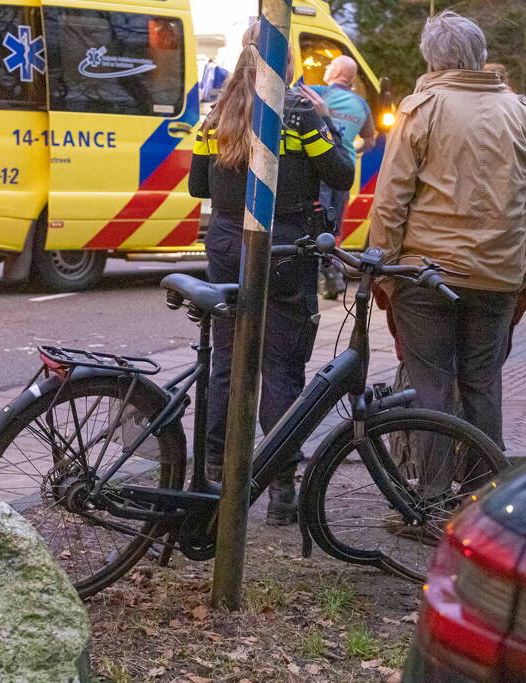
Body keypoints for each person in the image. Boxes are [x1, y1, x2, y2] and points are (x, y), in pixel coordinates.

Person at [369, 11, 526, 468]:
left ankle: (430, 501)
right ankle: (480, 493)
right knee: (483, 385)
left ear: (431, 60)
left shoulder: (422, 111)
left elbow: (390, 202)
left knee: (431, 388)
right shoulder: (524, 114)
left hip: (425, 275)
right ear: (481, 57)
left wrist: (387, 274)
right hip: (496, 278)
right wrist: (522, 271)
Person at [189, 24, 354, 525]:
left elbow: (199, 184)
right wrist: (327, 124)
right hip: (285, 246)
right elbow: (341, 175)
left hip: (224, 242)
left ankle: (215, 473)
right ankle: (281, 489)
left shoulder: (218, 115)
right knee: (281, 366)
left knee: (227, 360)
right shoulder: (300, 112)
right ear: (285, 61)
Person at [309, 55, 376, 299]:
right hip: (344, 169)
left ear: (335, 71)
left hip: (319, 167)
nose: (326, 68)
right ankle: (332, 273)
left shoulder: (318, 92)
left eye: (329, 66)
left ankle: (320, 274)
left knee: (313, 222)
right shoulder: (361, 105)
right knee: (333, 226)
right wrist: (352, 152)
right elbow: (369, 141)